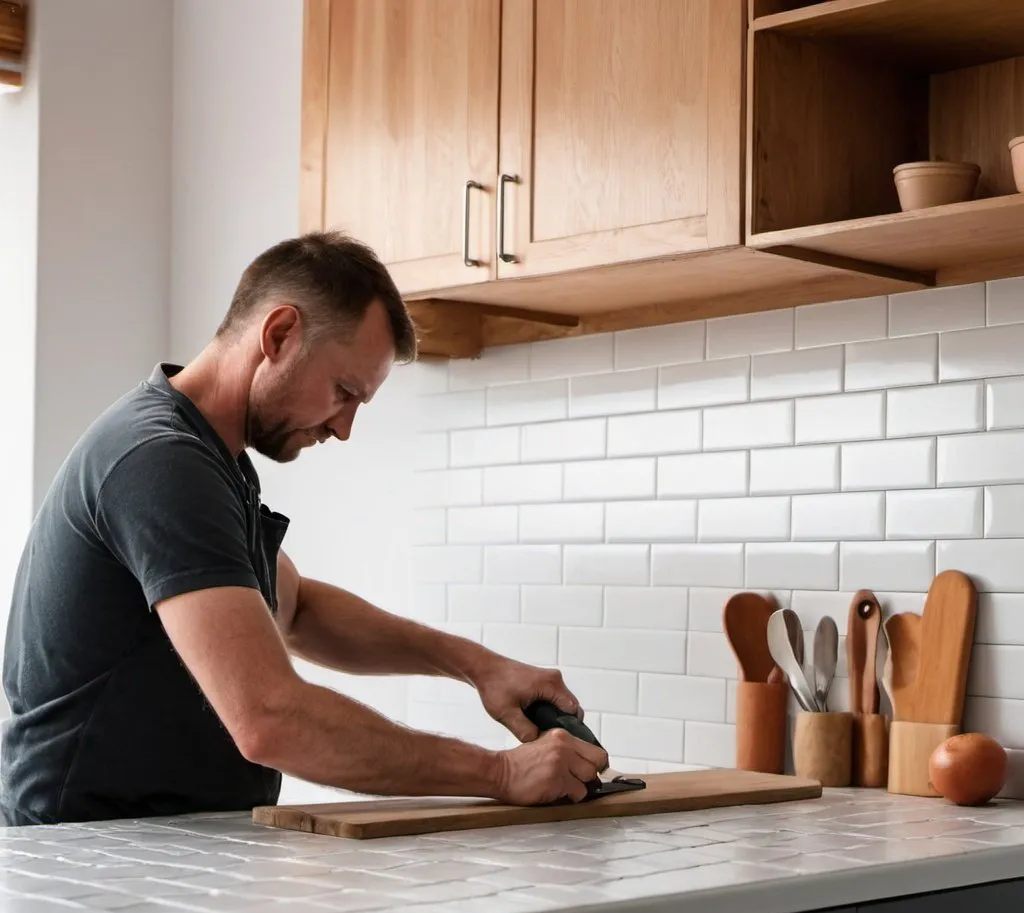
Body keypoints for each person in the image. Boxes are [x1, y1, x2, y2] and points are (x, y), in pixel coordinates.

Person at [0, 231, 607, 826]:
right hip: (86, 859)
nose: (343, 429)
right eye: (343, 393)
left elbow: (297, 609)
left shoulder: (215, 462)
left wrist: (480, 666)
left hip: (155, 849)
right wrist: (502, 774)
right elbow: (270, 717)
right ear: (280, 334)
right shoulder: (160, 460)